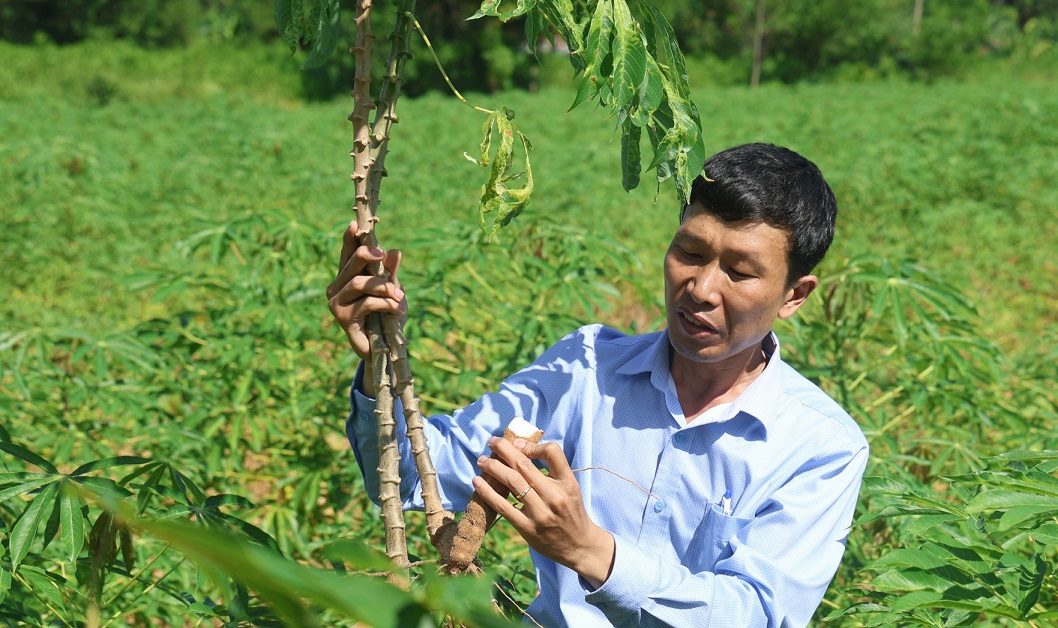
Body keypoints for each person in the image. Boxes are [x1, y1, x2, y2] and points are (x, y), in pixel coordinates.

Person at [328, 143, 869, 627]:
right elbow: (412, 473)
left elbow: (756, 615)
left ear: (795, 295)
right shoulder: (585, 367)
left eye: (739, 272)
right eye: (690, 253)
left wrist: (592, 552)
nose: (701, 288)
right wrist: (381, 360)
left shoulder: (820, 445)